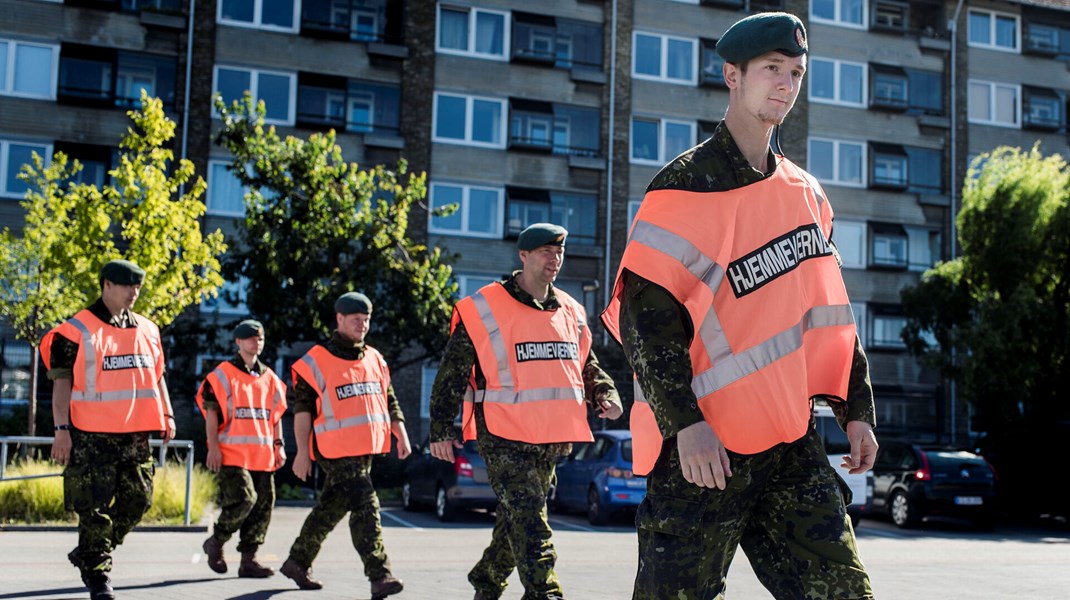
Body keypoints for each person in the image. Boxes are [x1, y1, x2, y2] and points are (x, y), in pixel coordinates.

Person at [601, 12, 879, 600]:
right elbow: (645, 325)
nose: (786, 84)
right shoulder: (682, 189)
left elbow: (828, 309)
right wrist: (687, 426)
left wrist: (856, 407)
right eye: (772, 69)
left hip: (788, 441)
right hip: (704, 451)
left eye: (797, 72)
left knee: (845, 592)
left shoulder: (807, 194)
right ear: (733, 75)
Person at [429, 223, 623, 600]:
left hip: (551, 438)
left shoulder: (571, 310)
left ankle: (486, 579)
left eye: (559, 252)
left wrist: (606, 392)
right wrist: (440, 428)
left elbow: (586, 364)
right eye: (546, 252)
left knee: (516, 519)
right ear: (523, 256)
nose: (555, 259)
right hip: (503, 436)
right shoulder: (483, 308)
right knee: (531, 518)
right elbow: (451, 373)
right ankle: (544, 593)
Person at [41, 259, 176, 600]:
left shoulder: (148, 329)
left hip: (136, 434)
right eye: (128, 285)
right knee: (94, 508)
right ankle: (99, 576)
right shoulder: (75, 331)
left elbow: (157, 376)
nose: (135, 292)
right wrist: (61, 429)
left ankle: (89, 551)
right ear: (106, 285)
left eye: (138, 286)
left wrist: (168, 414)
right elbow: (60, 385)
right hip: (91, 435)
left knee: (139, 501)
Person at [279, 292, 410, 599]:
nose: (362, 326)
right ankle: (380, 574)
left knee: (331, 507)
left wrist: (400, 432)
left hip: (365, 448)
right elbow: (302, 412)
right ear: (339, 319)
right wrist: (301, 451)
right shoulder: (316, 361)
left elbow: (389, 400)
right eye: (356, 320)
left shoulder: (375, 359)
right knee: (366, 504)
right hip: (334, 449)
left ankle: (297, 561)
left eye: (366, 320)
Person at [197, 319, 287, 578]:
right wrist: (212, 448)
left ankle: (249, 560)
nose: (256, 342)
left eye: (259, 338)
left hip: (262, 455)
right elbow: (211, 415)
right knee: (245, 500)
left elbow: (276, 416)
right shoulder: (222, 374)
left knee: (263, 507)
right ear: (238, 342)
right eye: (250, 338)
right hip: (231, 454)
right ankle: (216, 541)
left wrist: (279, 445)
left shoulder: (269, 377)